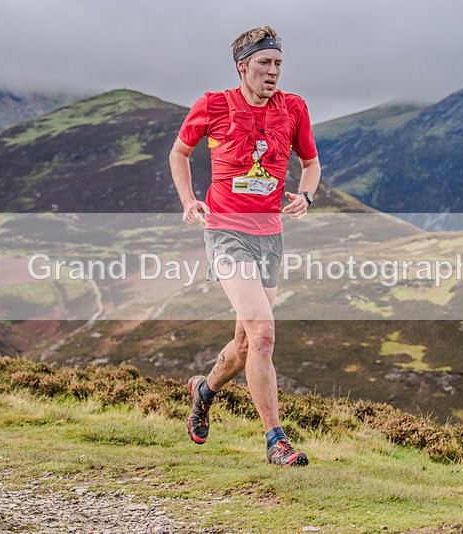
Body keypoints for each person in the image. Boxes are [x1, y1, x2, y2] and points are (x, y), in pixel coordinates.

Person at [169, 26, 321, 467]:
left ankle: (205, 389)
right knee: (264, 333)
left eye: (278, 63)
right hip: (226, 231)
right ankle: (276, 440)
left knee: (243, 345)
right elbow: (179, 153)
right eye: (264, 64)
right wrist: (188, 200)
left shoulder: (294, 108)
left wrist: (305, 195)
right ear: (243, 67)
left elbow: (310, 165)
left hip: (269, 235)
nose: (273, 71)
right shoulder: (213, 104)